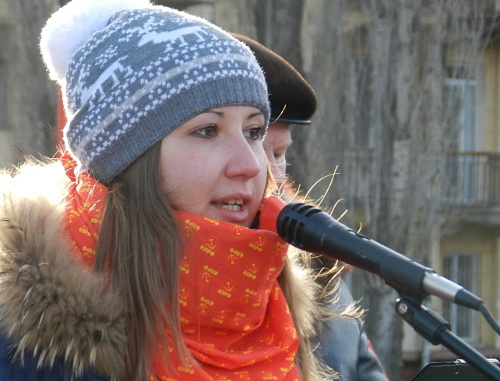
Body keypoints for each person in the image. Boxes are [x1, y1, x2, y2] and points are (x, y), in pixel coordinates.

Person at [0, 1, 334, 380]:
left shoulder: (278, 301)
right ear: (127, 158)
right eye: (208, 131)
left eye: (254, 131)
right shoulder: (17, 342)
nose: (252, 165)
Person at [233, 34, 389, 381]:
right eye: (254, 145)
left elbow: (362, 366)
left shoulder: (318, 258)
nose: (267, 173)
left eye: (278, 154)